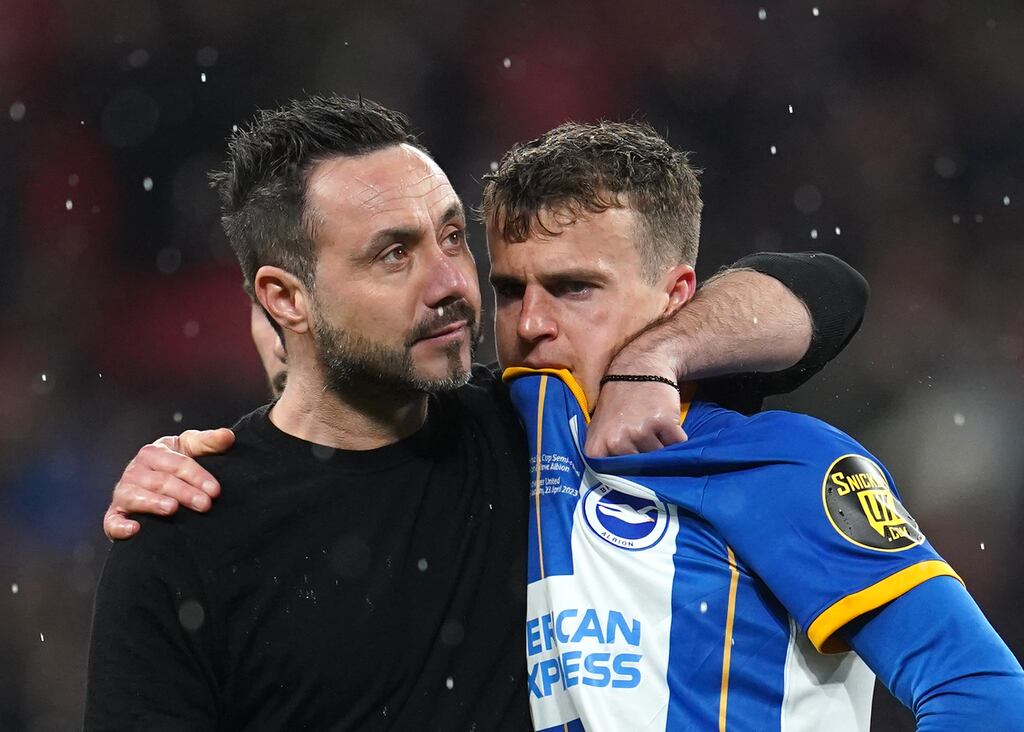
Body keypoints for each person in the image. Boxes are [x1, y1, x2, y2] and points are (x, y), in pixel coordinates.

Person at [86, 95, 868, 729]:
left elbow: (826, 294)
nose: (452, 283)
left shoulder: (538, 425)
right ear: (285, 298)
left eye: (453, 237)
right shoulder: (188, 529)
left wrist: (654, 356)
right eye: (395, 254)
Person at [484, 121, 1024, 729]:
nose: (529, 323)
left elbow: (981, 691)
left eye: (574, 287)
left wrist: (648, 361)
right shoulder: (493, 459)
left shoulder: (779, 463)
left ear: (676, 296)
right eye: (508, 290)